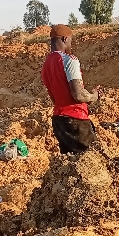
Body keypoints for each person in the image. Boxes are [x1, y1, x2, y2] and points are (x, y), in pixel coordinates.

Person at [41, 25, 100, 154]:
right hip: (76, 120)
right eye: (70, 41)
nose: (71, 45)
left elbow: (54, 97)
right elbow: (78, 94)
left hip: (58, 120)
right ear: (65, 39)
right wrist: (93, 96)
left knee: (69, 161)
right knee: (91, 158)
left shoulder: (46, 65)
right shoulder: (69, 60)